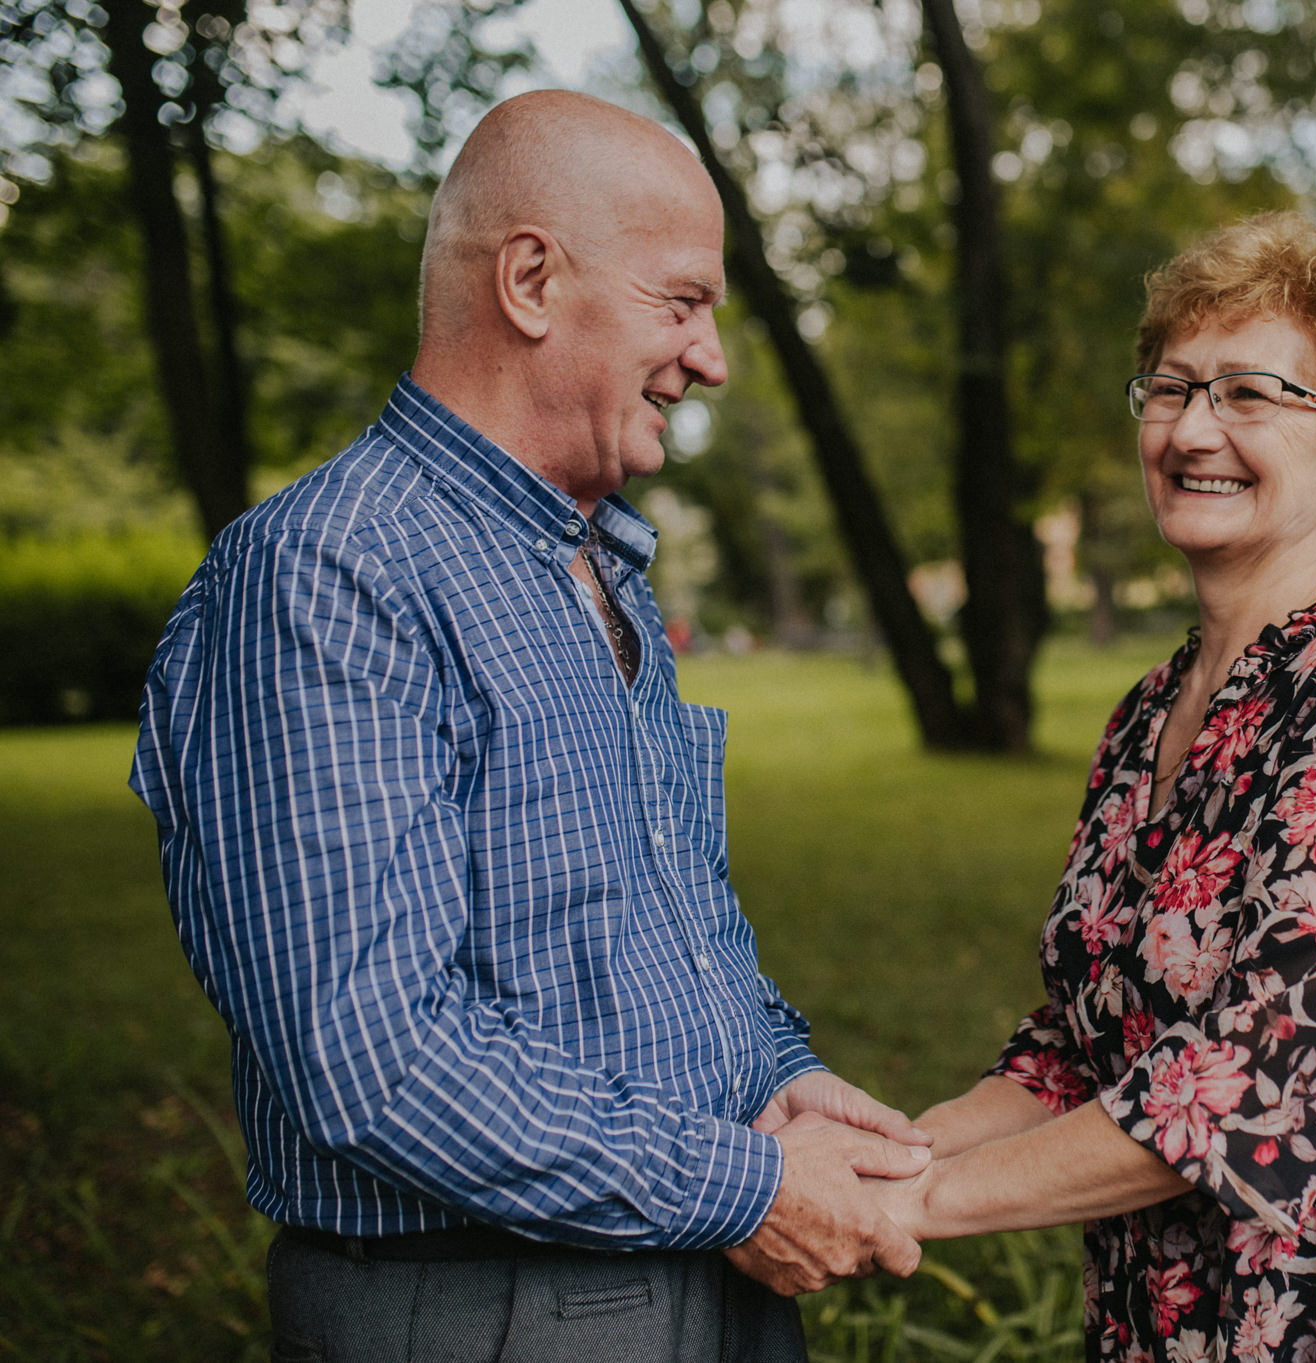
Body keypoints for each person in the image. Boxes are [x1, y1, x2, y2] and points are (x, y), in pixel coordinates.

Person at [129, 90, 930, 1361]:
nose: (711, 357)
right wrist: (743, 1188)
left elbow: (655, 915)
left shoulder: (593, 559)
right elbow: (369, 1054)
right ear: (531, 281)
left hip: (702, 1269)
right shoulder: (328, 573)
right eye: (682, 302)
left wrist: (772, 1073)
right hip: (488, 1305)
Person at [866, 213, 1316, 1361]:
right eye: (1170, 387)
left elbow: (1259, 1083)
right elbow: (1082, 1048)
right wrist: (900, 1152)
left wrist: (904, 1209)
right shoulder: (1149, 712)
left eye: (1247, 394)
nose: (1191, 428)